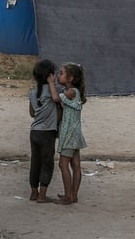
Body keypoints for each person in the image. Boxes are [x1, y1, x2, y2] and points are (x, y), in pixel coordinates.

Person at [48, 62, 87, 205]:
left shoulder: (71, 92)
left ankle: (68, 196)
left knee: (63, 164)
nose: (59, 76)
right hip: (75, 133)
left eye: (61, 73)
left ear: (70, 78)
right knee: (75, 165)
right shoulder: (75, 92)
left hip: (69, 134)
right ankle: (73, 195)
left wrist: (51, 83)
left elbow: (56, 98)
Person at [28, 59, 59, 203]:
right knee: (47, 163)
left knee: (35, 162)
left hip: (34, 132)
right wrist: (53, 83)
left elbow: (32, 113)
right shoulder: (54, 90)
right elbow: (57, 99)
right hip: (47, 132)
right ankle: (42, 195)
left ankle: (33, 192)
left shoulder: (33, 92)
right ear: (50, 76)